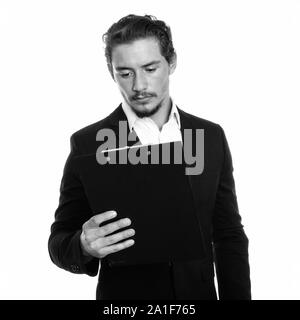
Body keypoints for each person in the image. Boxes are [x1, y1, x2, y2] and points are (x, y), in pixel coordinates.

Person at [48, 14, 251, 300]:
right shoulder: (88, 143)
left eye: (150, 68)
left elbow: (228, 234)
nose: (139, 85)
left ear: (172, 62)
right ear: (111, 72)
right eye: (125, 73)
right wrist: (83, 245)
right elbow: (58, 242)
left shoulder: (209, 136)